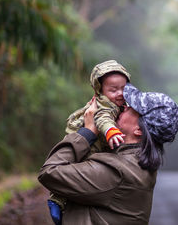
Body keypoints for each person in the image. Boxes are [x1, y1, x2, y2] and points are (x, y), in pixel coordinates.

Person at [38, 83, 178, 224]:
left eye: (131, 108)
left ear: (139, 130)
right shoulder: (136, 165)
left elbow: (49, 172)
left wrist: (87, 133)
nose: (124, 106)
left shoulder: (119, 172)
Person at [47, 60, 131, 224]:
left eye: (124, 88)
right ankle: (56, 199)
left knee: (75, 171)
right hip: (90, 144)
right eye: (113, 90)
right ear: (100, 90)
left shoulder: (120, 103)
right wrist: (111, 131)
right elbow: (102, 118)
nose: (120, 93)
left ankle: (58, 199)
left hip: (94, 142)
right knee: (75, 169)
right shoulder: (106, 105)